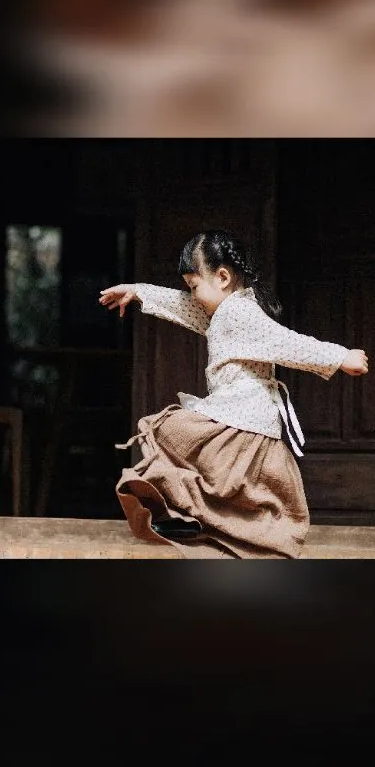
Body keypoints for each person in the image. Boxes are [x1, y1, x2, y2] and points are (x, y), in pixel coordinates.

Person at [99, 229, 369, 559]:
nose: (192, 294)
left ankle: (201, 520)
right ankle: (200, 520)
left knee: (171, 431)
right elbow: (185, 307)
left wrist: (340, 357)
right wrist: (138, 292)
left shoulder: (239, 314)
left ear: (223, 277)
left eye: (194, 285)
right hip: (240, 420)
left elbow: (287, 343)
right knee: (189, 450)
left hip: (243, 425)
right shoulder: (227, 311)